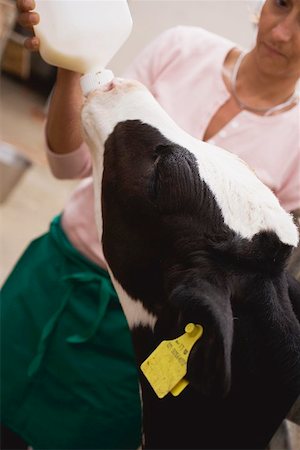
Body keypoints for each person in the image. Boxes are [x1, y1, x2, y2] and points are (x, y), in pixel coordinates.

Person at [1, 0, 300, 448]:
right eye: (282, 5)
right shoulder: (182, 49)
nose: (282, 33)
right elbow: (70, 165)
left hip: (139, 344)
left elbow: (251, 284)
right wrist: (68, 65)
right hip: (53, 280)